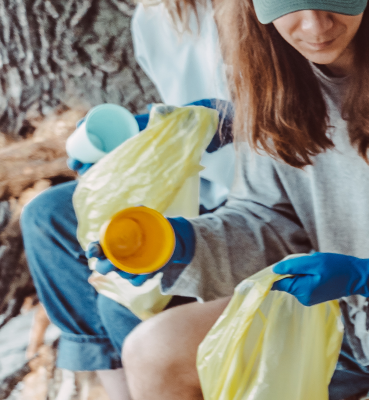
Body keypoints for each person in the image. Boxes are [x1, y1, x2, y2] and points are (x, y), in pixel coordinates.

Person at [108, 0, 369, 398]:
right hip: (338, 314)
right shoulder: (267, 60)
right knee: (154, 350)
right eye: (290, 5)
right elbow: (271, 217)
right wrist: (188, 244)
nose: (316, 26)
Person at [21, 1, 232, 399]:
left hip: (255, 194)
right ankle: (122, 391)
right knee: (48, 217)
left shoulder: (258, 13)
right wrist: (140, 138)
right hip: (193, 187)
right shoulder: (152, 19)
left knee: (121, 303)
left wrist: (201, 123)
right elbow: (181, 118)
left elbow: (286, 112)